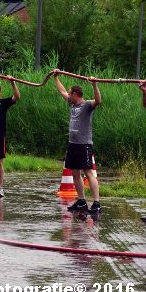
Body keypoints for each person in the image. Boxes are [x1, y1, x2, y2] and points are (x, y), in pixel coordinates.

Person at [53, 71, 102, 213]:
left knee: (88, 173)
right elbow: (62, 90)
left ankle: (97, 203)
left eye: (70, 93)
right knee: (75, 173)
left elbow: (98, 101)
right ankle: (81, 201)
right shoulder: (72, 104)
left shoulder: (87, 105)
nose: (68, 95)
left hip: (84, 144)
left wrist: (94, 85)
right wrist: (56, 77)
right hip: (72, 144)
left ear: (75, 94)